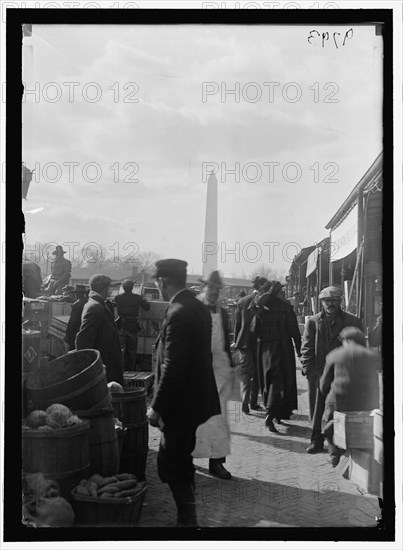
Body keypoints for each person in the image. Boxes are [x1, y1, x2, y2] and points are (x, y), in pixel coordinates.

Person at [147, 259, 220, 527]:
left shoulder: (178, 311)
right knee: (182, 461)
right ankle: (187, 518)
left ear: (163, 281)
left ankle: (187, 522)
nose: (158, 287)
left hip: (179, 403)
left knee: (171, 463)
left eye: (157, 283)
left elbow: (174, 365)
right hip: (194, 400)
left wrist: (158, 406)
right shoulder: (197, 306)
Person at [300, 286, 362, 454]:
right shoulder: (313, 322)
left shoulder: (352, 321)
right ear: (322, 302)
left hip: (343, 373)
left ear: (340, 301)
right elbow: (306, 347)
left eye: (334, 301)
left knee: (341, 408)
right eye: (327, 301)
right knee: (317, 407)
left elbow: (360, 348)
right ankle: (316, 441)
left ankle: (340, 443)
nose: (330, 304)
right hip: (319, 372)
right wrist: (310, 371)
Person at [193, 270, 235, 480]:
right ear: (204, 288)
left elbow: (225, 342)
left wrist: (229, 366)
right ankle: (186, 460)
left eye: (217, 290)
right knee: (193, 417)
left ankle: (216, 463)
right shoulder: (192, 309)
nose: (214, 293)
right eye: (211, 288)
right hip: (197, 369)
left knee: (218, 418)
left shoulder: (223, 312)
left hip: (218, 369)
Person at [320, 326, 381, 466]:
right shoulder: (372, 356)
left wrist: (325, 392)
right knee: (365, 426)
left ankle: (333, 453)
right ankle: (362, 455)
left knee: (327, 423)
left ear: (345, 340)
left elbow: (324, 384)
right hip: (364, 402)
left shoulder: (334, 354)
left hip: (339, 400)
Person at [253, 280, 302, 432]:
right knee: (281, 381)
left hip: (264, 349)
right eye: (282, 291)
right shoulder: (286, 308)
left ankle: (277, 413)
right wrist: (300, 351)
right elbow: (294, 331)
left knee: (269, 380)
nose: (284, 294)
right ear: (277, 292)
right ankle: (272, 414)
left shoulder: (261, 308)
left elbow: (253, 330)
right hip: (282, 349)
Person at [75, 274, 123, 385]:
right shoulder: (94, 307)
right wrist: (91, 367)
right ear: (105, 288)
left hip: (107, 364)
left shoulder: (99, 304)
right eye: (109, 288)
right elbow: (83, 340)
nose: (110, 291)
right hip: (104, 366)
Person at [233, 276, 267, 414]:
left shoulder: (241, 301)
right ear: (261, 286)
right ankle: (253, 402)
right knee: (258, 373)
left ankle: (244, 401)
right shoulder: (264, 301)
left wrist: (237, 341)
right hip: (259, 341)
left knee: (246, 373)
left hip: (244, 342)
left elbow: (237, 324)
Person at [114, 279, 150, 371]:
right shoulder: (137, 298)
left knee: (121, 350)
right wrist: (143, 298)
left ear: (123, 287)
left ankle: (120, 371)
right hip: (132, 325)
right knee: (132, 351)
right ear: (132, 288)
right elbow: (147, 307)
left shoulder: (118, 297)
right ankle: (131, 371)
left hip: (121, 324)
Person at [64, 285, 88, 351]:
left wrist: (67, 336)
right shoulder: (88, 301)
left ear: (76, 294)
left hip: (75, 333)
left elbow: (72, 322)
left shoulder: (77, 304)